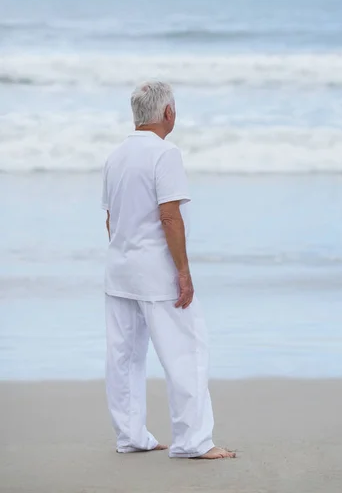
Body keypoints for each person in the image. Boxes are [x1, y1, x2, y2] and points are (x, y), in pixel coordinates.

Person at [101, 81, 235, 460]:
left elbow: (111, 219)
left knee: (124, 357)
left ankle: (130, 436)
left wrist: (126, 253)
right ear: (168, 113)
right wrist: (184, 271)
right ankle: (193, 441)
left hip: (119, 270)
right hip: (156, 273)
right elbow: (169, 216)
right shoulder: (165, 154)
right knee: (186, 352)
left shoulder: (115, 156)